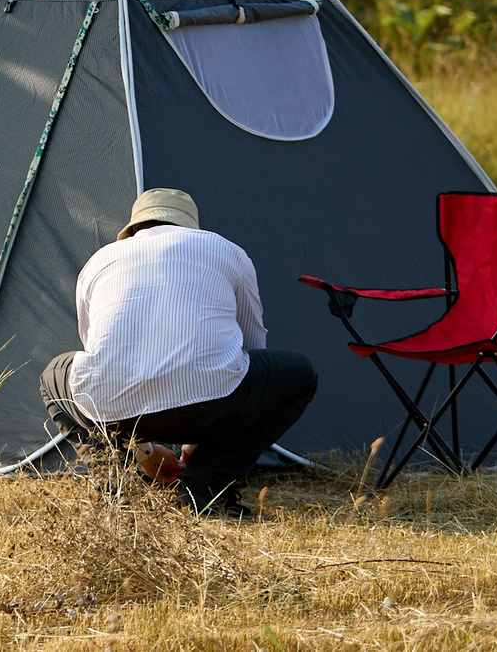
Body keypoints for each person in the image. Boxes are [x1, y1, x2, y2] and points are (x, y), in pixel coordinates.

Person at [40, 187, 318, 519]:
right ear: (189, 226)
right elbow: (253, 347)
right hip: (210, 404)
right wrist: (206, 433)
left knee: (54, 377)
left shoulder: (99, 259)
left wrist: (143, 451)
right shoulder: (225, 250)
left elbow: (97, 355)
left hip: (114, 408)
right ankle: (203, 486)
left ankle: (115, 487)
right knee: (300, 376)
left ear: (133, 228)